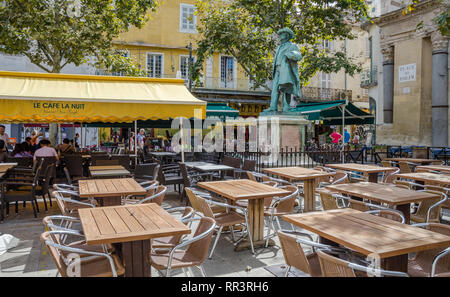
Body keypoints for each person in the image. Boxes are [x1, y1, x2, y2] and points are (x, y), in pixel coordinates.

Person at [265, 27, 302, 112]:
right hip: (277, 69)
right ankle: (273, 107)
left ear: (287, 35)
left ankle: (286, 107)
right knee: (275, 89)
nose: (280, 35)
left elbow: (298, 56)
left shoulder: (292, 46)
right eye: (280, 34)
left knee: (286, 88)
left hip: (286, 70)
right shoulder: (279, 47)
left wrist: (289, 54)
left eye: (282, 33)